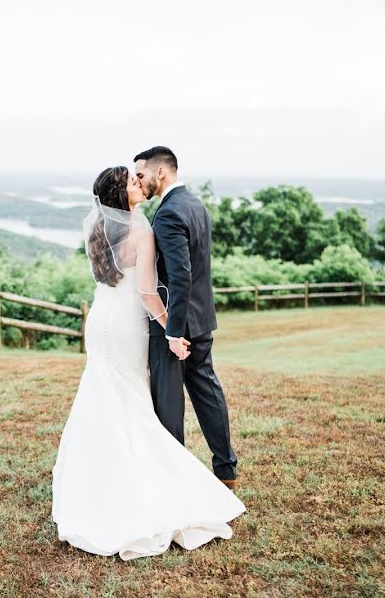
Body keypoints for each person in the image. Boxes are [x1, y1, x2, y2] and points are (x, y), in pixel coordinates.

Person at [51, 165, 245, 561]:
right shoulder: (141, 232)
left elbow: (111, 280)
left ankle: (96, 485)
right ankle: (139, 486)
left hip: (100, 321)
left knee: (104, 394)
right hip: (125, 325)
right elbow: (146, 293)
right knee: (132, 400)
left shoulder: (96, 230)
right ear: (122, 195)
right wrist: (172, 333)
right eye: (131, 182)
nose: (138, 184)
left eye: (138, 178)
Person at [134, 146, 239, 489]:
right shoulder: (195, 204)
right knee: (208, 392)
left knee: (168, 403)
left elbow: (180, 277)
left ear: (160, 172)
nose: (140, 181)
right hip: (202, 319)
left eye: (142, 174)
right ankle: (226, 470)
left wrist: (171, 332)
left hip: (176, 326)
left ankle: (173, 478)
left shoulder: (166, 214)